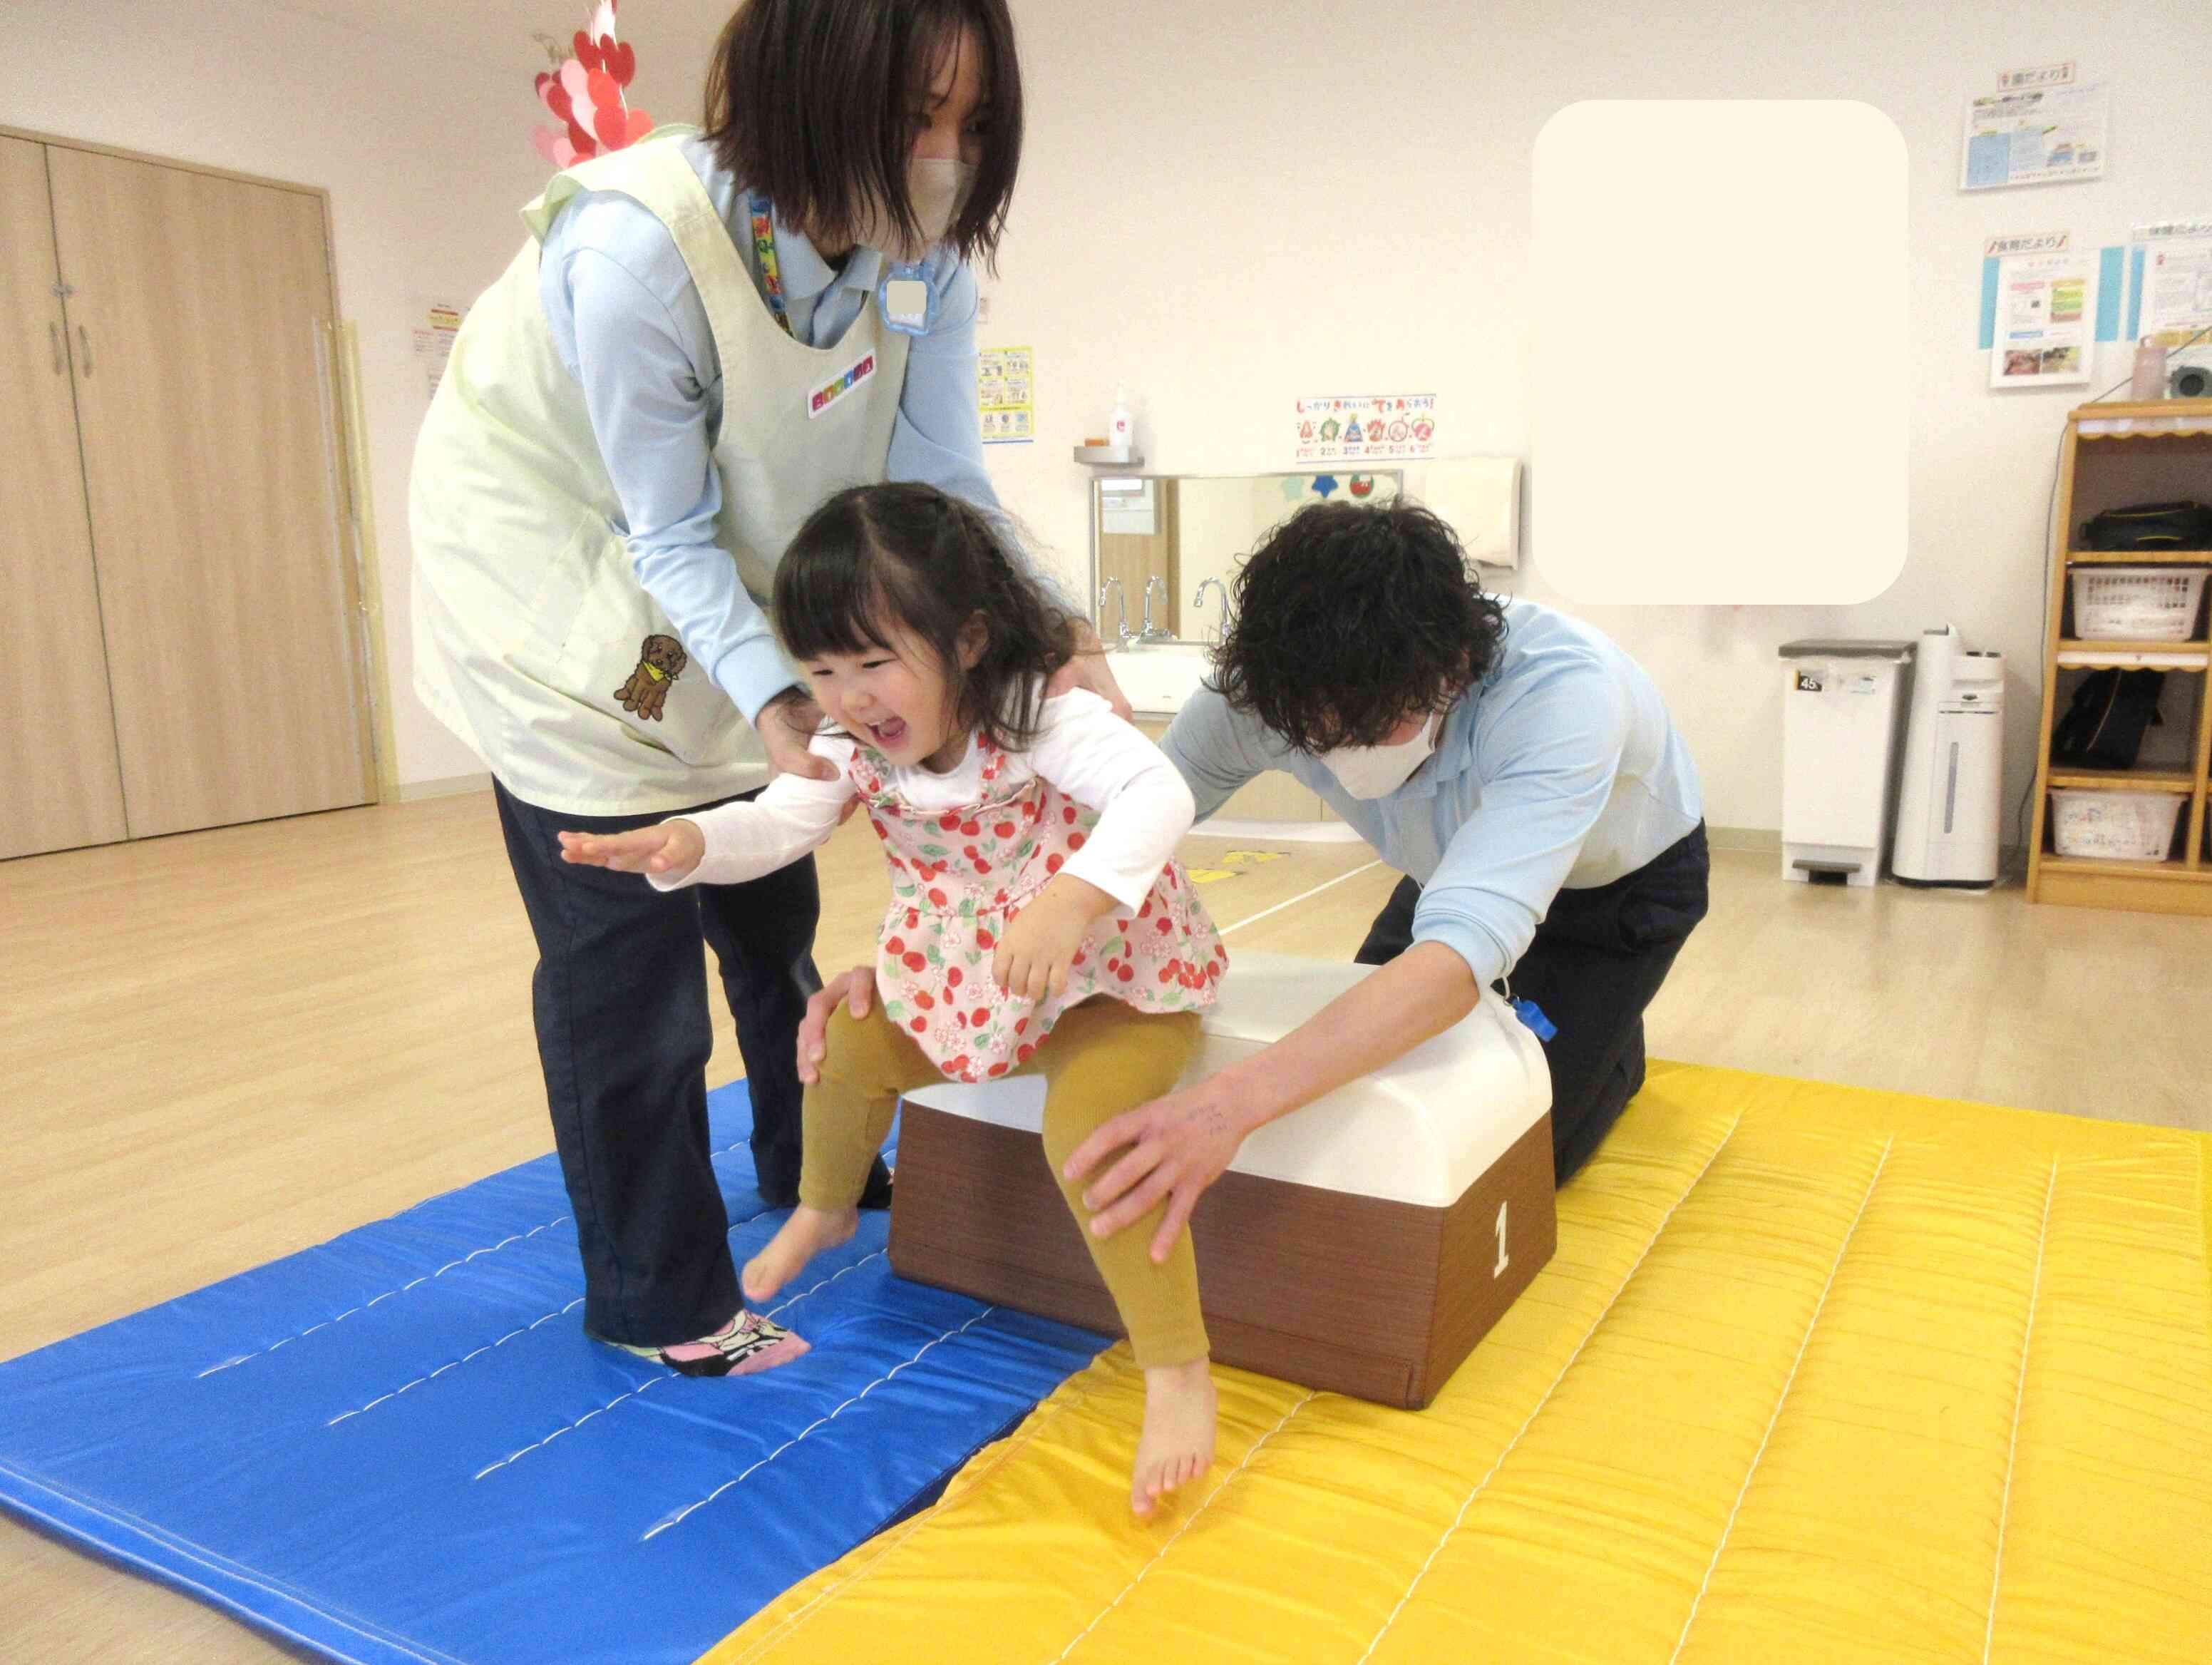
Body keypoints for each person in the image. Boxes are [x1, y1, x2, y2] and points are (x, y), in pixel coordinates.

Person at [409, 0, 1120, 1379]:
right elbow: (663, 538)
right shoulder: (636, 249)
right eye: (920, 117)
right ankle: (659, 1296)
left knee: (768, 898)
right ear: (809, 94)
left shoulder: (919, 257)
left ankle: (819, 1173)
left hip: (733, 587)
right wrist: (789, 712)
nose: (946, 156)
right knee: (632, 966)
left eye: (971, 125)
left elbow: (941, 482)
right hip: (564, 593)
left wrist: (1049, 631)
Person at [803, 499, 1707, 1268]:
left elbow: (1457, 954)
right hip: (1441, 868)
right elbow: (1092, 837)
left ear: (1450, 673)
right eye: (1305, 729)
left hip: (1614, 892)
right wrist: (917, 974)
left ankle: (1606, 1050)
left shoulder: (1560, 702)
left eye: (1365, 723)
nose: (1331, 744)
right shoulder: (1259, 693)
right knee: (1361, 1095)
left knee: (1527, 1143)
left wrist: (1222, 1108)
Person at [559, 483, 1228, 1517]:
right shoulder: (852, 746)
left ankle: (1176, 1365)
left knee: (1087, 1132)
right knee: (846, 1038)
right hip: (975, 981)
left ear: (965, 639)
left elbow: (1159, 793)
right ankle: (827, 1206)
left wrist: (1070, 899)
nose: (851, 695)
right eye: (822, 671)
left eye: (874, 661)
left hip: (1113, 981)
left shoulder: (1041, 715)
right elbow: (779, 823)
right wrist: (691, 844)